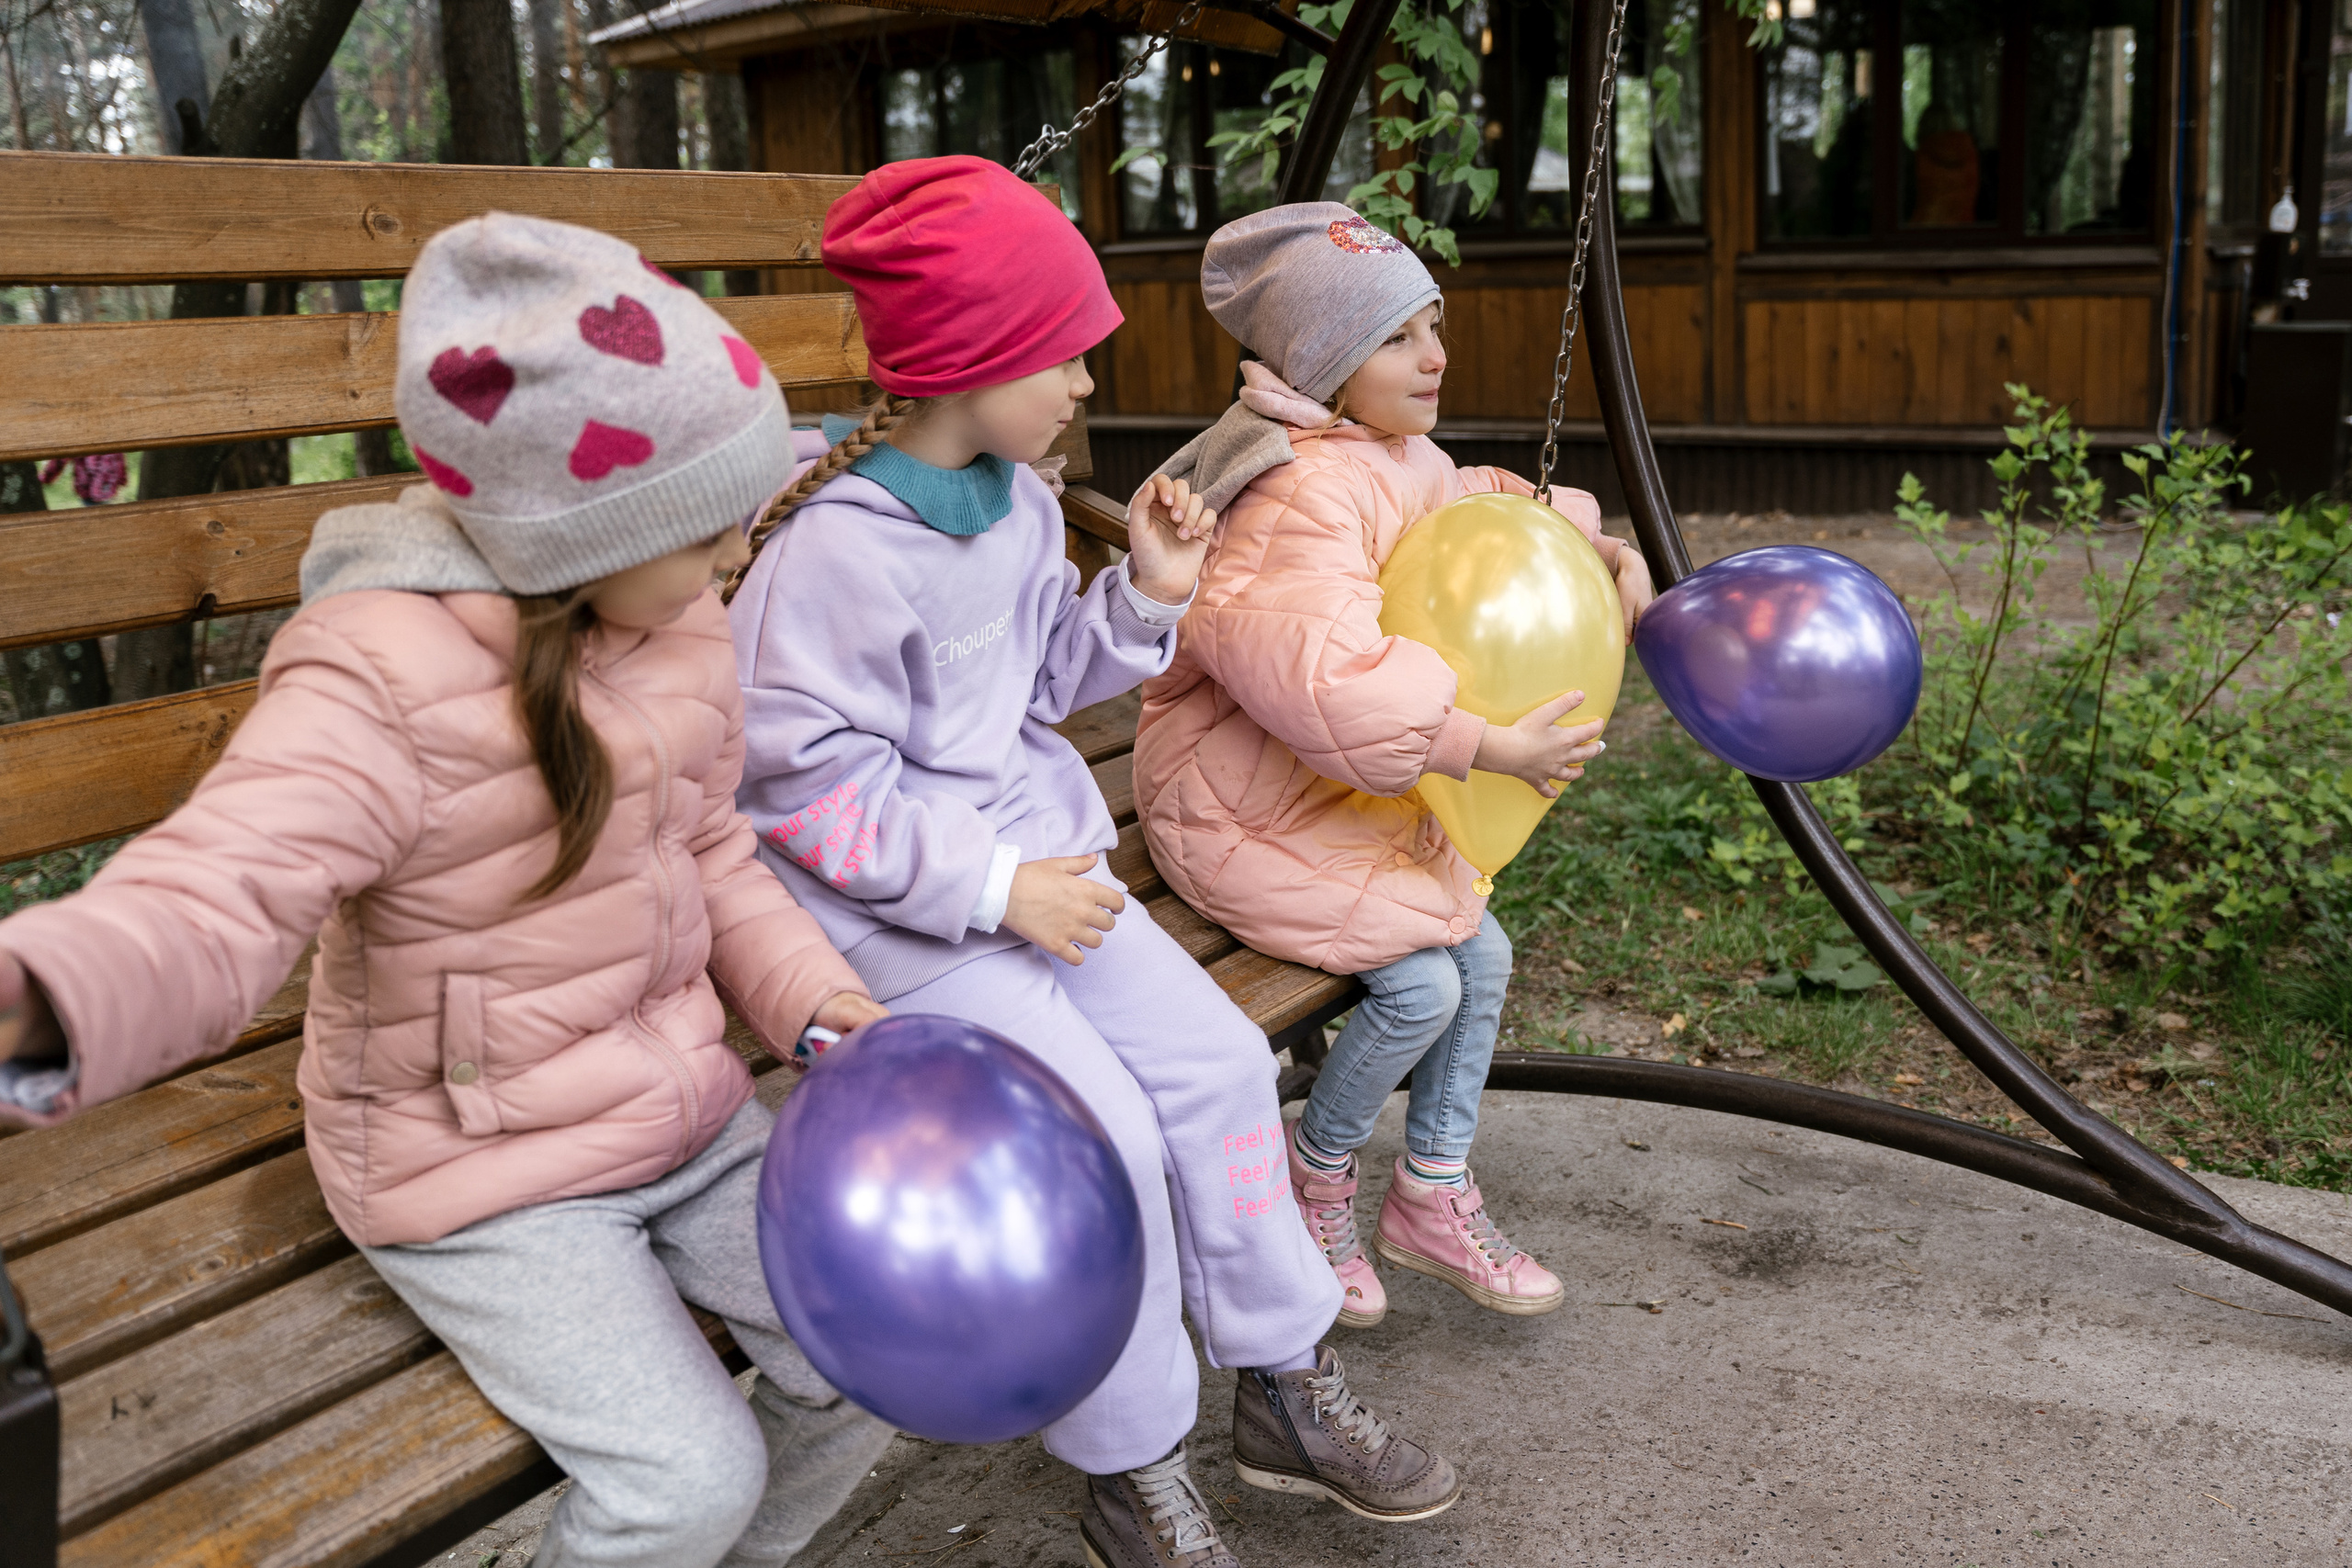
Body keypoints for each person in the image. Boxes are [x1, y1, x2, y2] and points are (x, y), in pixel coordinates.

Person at [0, 213, 895, 1568]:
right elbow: (218, 887)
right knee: (682, 1482)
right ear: (588, 531)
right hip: (477, 1166)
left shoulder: (674, 618)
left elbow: (712, 851)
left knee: (869, 1360)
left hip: (680, 1107)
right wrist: (46, 996)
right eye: (708, 530)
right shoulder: (380, 674)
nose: (734, 560)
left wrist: (821, 1005)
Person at [729, 158, 1462, 1568]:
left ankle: (1283, 1379)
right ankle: (1134, 1469)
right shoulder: (828, 562)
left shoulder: (1007, 501)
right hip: (914, 927)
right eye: (1060, 355)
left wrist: (1145, 593)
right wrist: (996, 890)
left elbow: (1039, 681)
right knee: (1107, 1147)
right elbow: (806, 800)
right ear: (964, 363)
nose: (1081, 384)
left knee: (1225, 1071)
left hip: (1051, 888)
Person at [1134, 203, 1657, 1332]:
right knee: (1424, 980)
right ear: (1324, 364)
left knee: (1487, 948)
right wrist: (1481, 745)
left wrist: (1600, 551)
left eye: (1436, 326)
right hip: (1239, 805)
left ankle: (1428, 1190)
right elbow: (1325, 679)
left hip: (1341, 791)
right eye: (1399, 336)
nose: (1436, 355)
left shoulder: (1391, 460)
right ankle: (1313, 1172)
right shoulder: (1294, 494)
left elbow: (1489, 517)